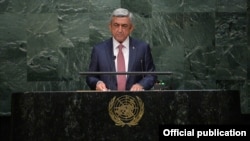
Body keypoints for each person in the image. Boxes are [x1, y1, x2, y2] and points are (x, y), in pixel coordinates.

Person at [86, 8, 157, 91]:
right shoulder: (99, 50)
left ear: (131, 28)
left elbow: (151, 75)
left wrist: (141, 85)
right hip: (106, 100)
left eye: (124, 26)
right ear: (110, 27)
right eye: (116, 25)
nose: (120, 30)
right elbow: (91, 76)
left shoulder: (142, 48)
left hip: (135, 101)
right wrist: (98, 83)